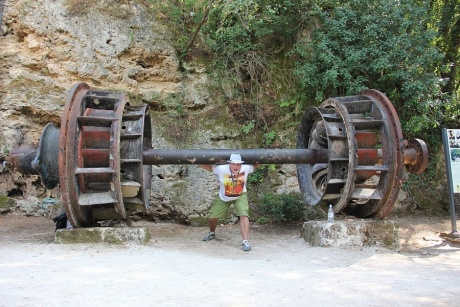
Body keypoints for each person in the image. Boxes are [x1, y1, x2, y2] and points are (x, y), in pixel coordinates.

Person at [199, 153, 259, 251]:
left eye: (238, 164)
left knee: (244, 215)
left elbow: (256, 166)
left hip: (240, 195)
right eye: (234, 164)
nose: (236, 166)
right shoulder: (221, 169)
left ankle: (245, 241)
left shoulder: (246, 168)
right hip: (224, 197)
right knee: (213, 217)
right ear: (229, 164)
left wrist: (268, 159)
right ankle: (212, 233)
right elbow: (210, 168)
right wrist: (196, 162)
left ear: (241, 165)